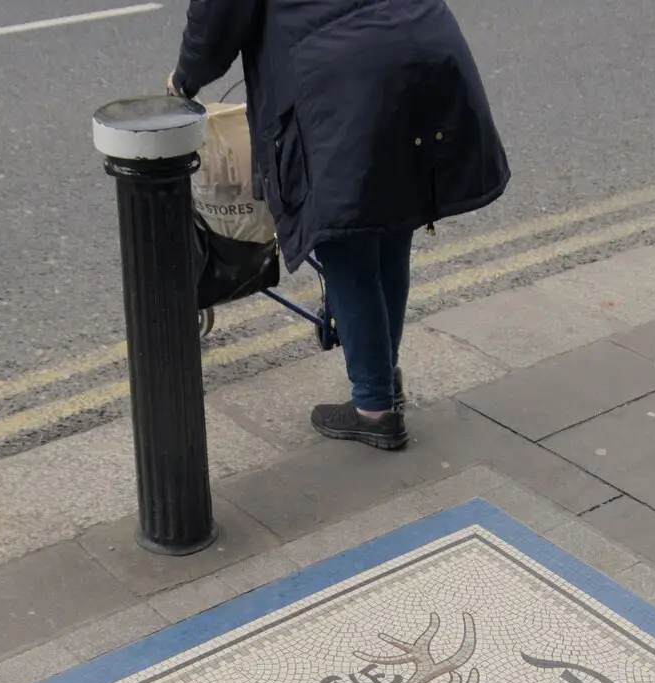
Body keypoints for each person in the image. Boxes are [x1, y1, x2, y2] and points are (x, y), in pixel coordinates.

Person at [169, 0, 510, 450]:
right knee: (391, 225)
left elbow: (219, 14)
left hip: (342, 76)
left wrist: (184, 80)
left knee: (345, 241)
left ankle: (374, 408)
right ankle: (382, 379)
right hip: (423, 46)